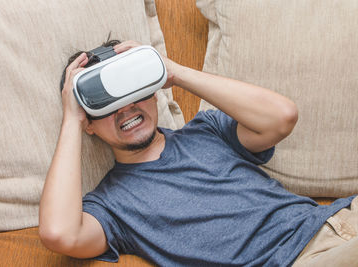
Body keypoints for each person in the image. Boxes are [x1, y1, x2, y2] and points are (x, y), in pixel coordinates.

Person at [39, 40, 358, 267]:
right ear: (88, 123)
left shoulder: (208, 129)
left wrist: (173, 71)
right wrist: (72, 119)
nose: (126, 108)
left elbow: (282, 116)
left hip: (338, 221)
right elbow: (59, 234)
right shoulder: (113, 206)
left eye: (132, 90)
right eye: (106, 104)